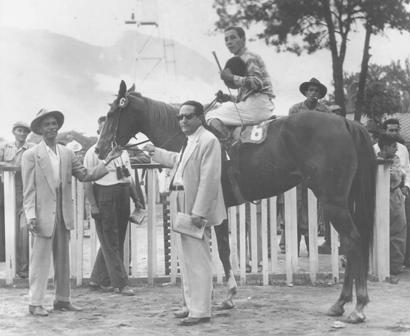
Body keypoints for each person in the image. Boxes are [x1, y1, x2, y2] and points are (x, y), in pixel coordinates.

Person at [22, 109, 122, 316]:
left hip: (63, 211)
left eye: (54, 124)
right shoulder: (31, 155)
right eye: (47, 124)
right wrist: (31, 215)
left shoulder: (66, 153)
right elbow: (28, 190)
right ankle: (35, 302)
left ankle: (62, 300)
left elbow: (86, 175)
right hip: (41, 213)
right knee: (40, 260)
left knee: (62, 258)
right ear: (40, 129)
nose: (52, 127)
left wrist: (108, 160)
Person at [144, 100, 226, 326]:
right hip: (182, 200)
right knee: (186, 258)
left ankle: (201, 311)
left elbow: (210, 178)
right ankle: (192, 305)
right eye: (180, 117)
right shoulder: (189, 141)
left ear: (200, 117)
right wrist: (156, 152)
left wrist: (199, 212)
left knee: (197, 258)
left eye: (188, 116)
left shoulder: (209, 141)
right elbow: (178, 163)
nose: (183, 120)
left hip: (195, 207)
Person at [84, 116, 144, 295]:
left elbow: (128, 176)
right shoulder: (92, 153)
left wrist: (136, 198)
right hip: (104, 195)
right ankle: (120, 283)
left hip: (123, 194)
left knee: (115, 240)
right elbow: (87, 182)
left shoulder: (122, 152)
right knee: (110, 241)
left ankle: (97, 279)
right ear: (98, 132)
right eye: (104, 130)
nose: (109, 134)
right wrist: (93, 206)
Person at [285, 78, 330, 254]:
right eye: (310, 90)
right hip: (297, 160)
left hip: (316, 161)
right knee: (294, 204)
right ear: (305, 92)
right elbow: (289, 133)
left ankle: (312, 246)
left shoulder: (325, 111)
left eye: (316, 91)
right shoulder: (295, 110)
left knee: (312, 204)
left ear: (320, 94)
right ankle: (292, 247)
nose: (313, 93)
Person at [205, 26, 275, 139]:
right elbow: (247, 95)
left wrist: (231, 77)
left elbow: (257, 83)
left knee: (210, 115)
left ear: (243, 39)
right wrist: (227, 97)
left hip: (256, 106)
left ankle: (229, 145)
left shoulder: (248, 57)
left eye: (233, 38)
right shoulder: (241, 59)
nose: (229, 42)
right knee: (224, 108)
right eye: (226, 39)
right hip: (259, 105)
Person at [374, 118, 410, 268]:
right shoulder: (373, 151)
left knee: (399, 230)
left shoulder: (401, 151)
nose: (394, 133)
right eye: (391, 130)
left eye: (396, 130)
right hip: (378, 196)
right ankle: (378, 264)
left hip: (397, 194)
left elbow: (405, 171)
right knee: (378, 230)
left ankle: (396, 265)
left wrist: (405, 187)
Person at [0, 121, 33, 278]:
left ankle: (23, 268)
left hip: (25, 189)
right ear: (14, 132)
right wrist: (13, 166)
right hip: (6, 190)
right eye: (19, 131)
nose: (22, 134)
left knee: (23, 230)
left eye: (25, 131)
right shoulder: (5, 147)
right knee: (7, 230)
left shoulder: (32, 148)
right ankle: (9, 265)